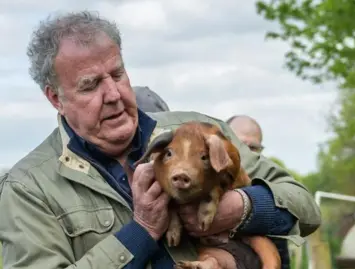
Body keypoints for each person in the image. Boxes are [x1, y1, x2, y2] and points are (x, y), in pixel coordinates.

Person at [0, 11, 321, 269]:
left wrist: (238, 207)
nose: (113, 94)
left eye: (117, 74)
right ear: (56, 98)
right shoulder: (28, 189)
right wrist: (142, 230)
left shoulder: (199, 132)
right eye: (90, 85)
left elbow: (304, 207)